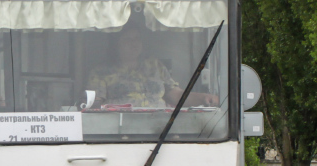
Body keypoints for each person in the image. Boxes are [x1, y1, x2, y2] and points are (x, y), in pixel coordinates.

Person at [86, 22, 219, 109]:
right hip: (121, 130)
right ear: (116, 44)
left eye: (137, 38)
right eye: (128, 39)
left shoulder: (154, 65)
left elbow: (176, 95)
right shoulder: (101, 72)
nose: (134, 43)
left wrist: (202, 98)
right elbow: (95, 105)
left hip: (159, 129)